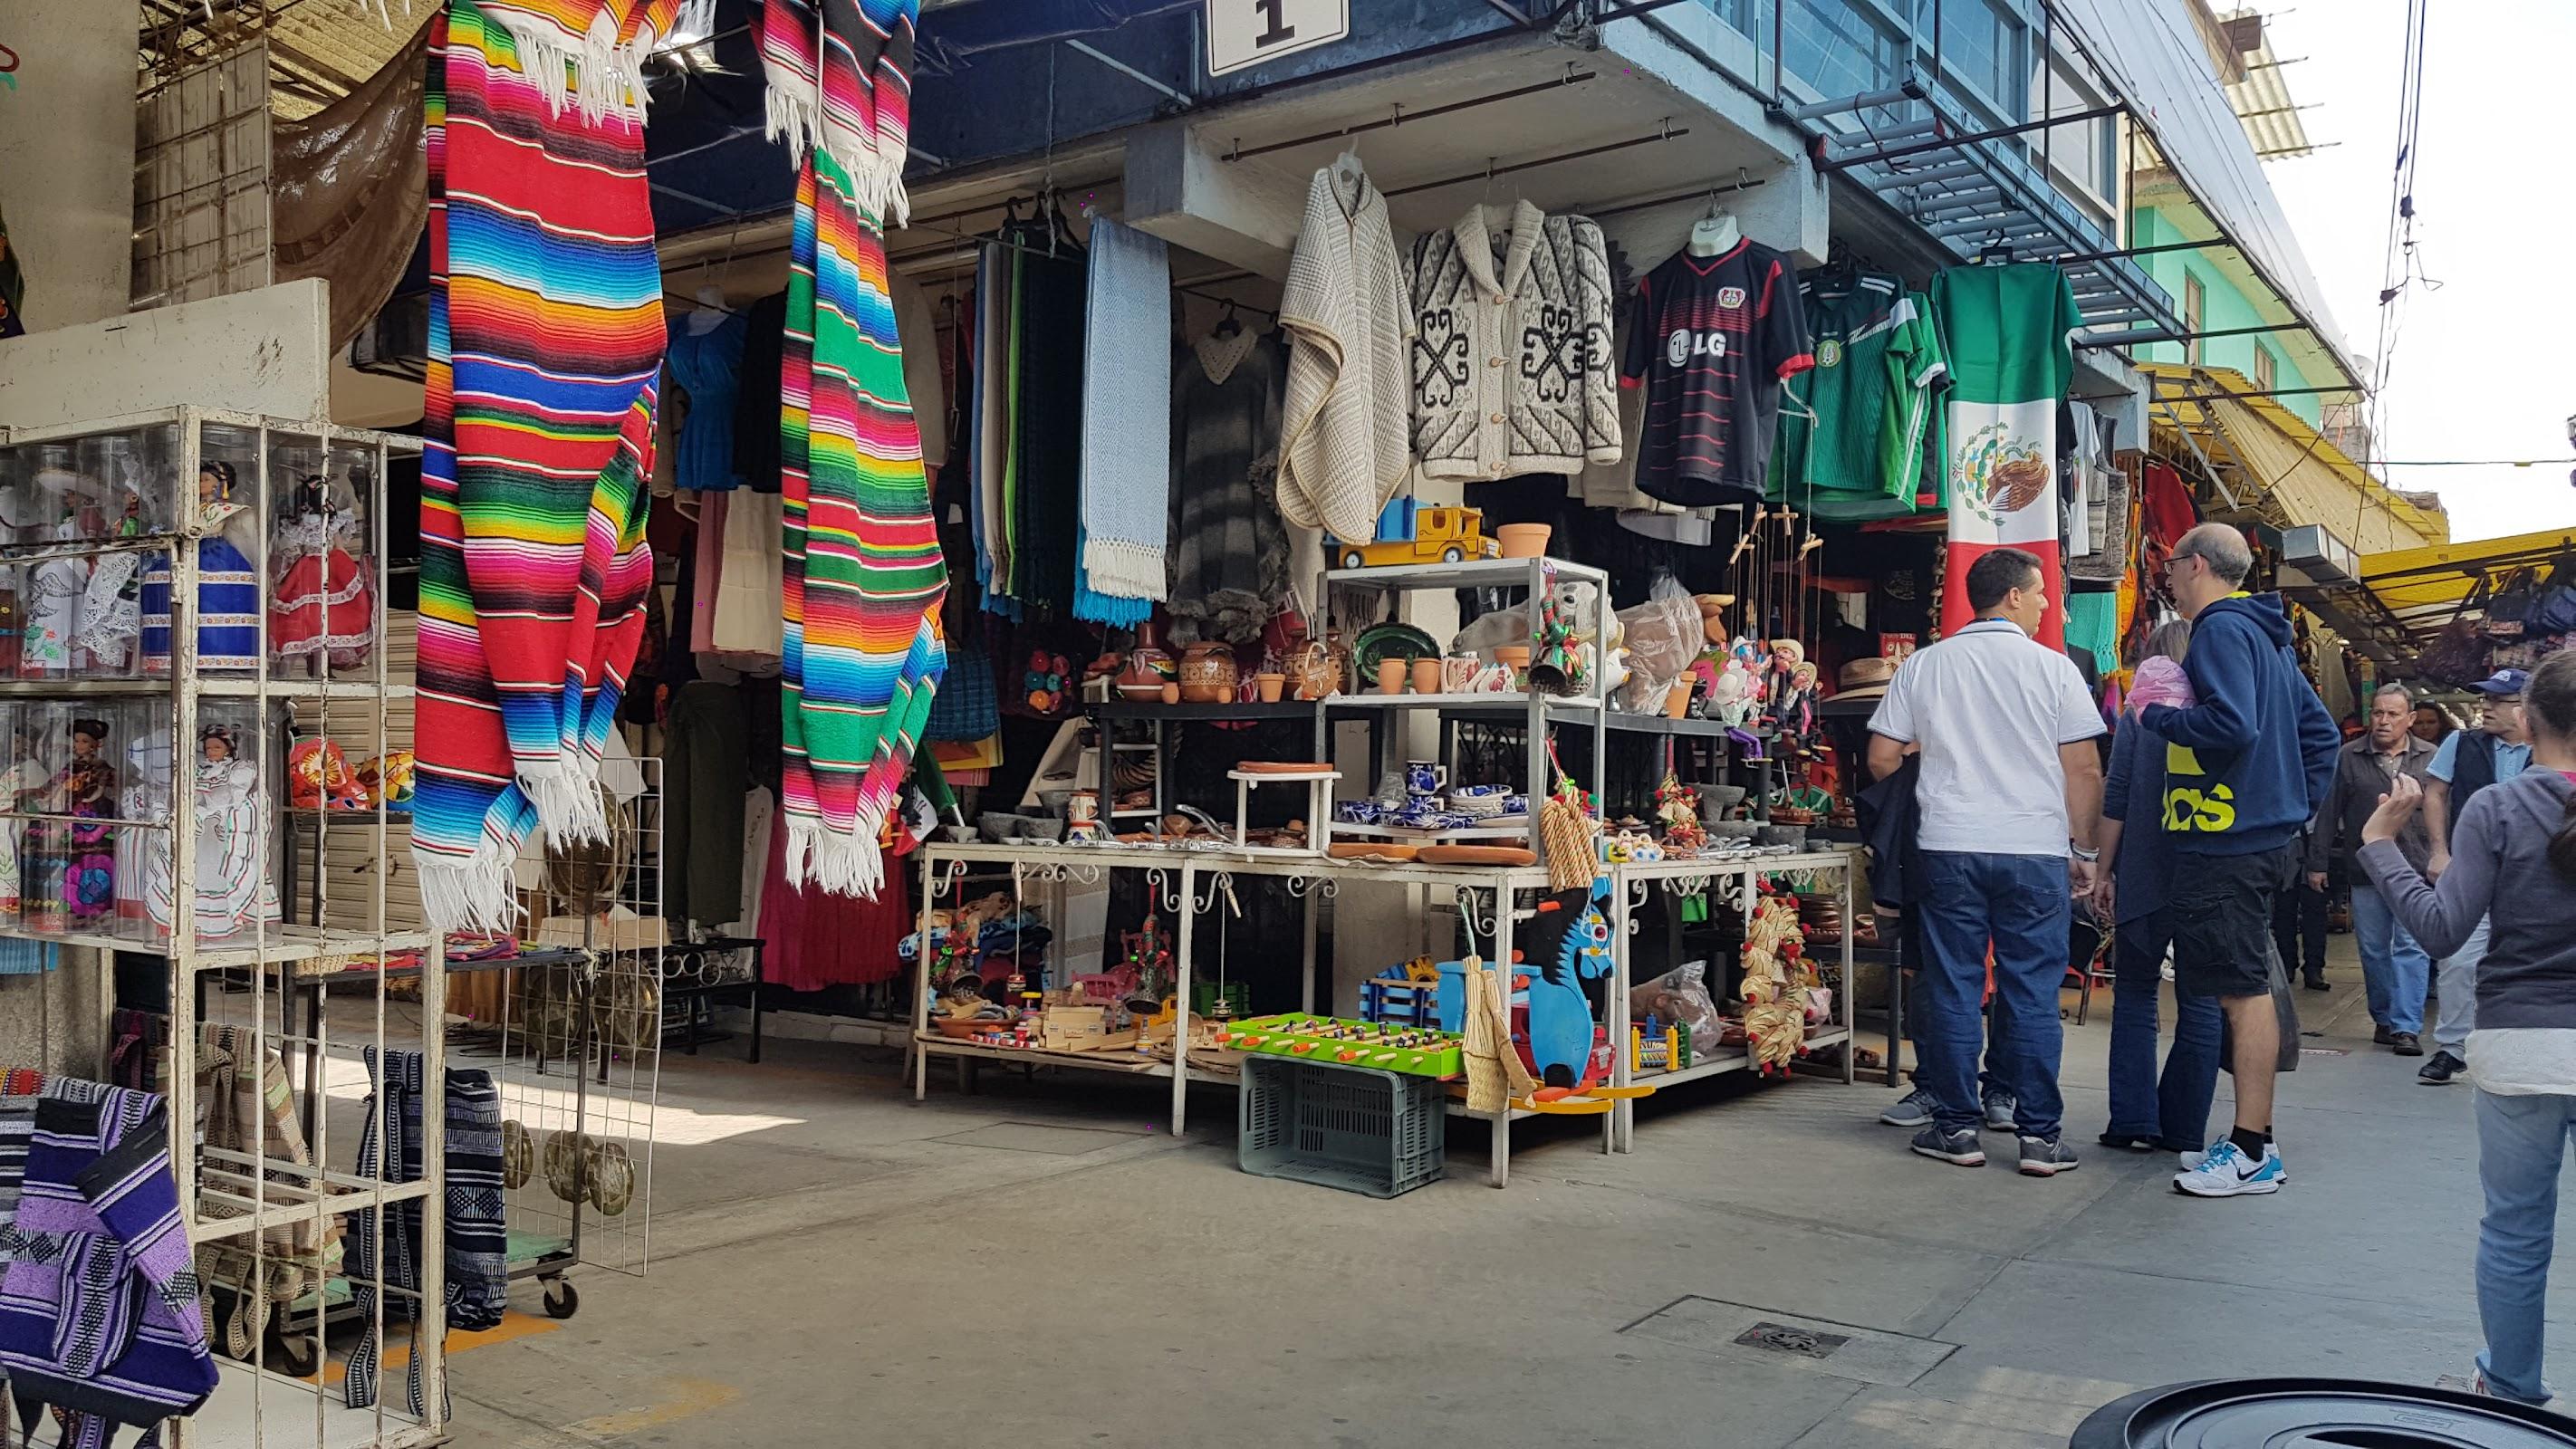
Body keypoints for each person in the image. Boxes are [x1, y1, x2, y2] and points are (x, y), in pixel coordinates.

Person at [2354, 649, 2576, 1406]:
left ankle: (2512, 1391)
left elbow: (2443, 930)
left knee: (2516, 1232)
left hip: (2521, 1048)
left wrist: (2382, 846)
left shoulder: (2501, 808)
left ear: (2530, 722)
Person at [1866, 547, 2104, 1177]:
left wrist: (1932, 772)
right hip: (2034, 849)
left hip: (1948, 846)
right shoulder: (2055, 671)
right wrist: (2085, 851)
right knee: (2031, 991)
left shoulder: (1925, 666)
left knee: (1952, 986)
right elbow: (2082, 768)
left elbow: (1882, 758)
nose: (2048, 604)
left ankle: (1955, 1129)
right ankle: (2038, 1137)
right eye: (2042, 593)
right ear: (2014, 597)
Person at [2142, 523, 2340, 1199]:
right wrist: (2289, 808)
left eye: (2171, 565)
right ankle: (2256, 1140)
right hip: (2253, 838)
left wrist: (2156, 718)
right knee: (2239, 985)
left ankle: (2253, 1151)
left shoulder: (2221, 630)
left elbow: (2232, 725)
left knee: (2240, 991)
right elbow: (2321, 736)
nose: (2166, 577)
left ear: (2196, 564)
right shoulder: (2264, 635)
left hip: (2227, 842)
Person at [2095, 619, 2222, 1154]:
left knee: (2136, 994)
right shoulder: (2223, 713)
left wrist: (2102, 870)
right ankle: (2184, 1128)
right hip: (2210, 872)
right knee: (2202, 1000)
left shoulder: (2140, 715)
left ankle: (2132, 1120)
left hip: (2145, 871)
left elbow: (2118, 794)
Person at [2309, 684, 2440, 1054]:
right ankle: (2383, 1017)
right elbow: (2328, 812)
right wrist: (2317, 863)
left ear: (2410, 719)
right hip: (2366, 869)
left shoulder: (2432, 757)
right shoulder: (2349, 756)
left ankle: (2406, 1027)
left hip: (2416, 868)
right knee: (2374, 949)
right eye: (2378, 713)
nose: (2383, 721)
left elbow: (2448, 810)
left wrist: (2446, 856)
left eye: (2393, 714)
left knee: (2411, 947)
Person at [2421, 670, 2534, 1087]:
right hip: (2471, 870)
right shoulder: (2462, 743)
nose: (2485, 707)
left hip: (2530, 876)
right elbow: (2434, 793)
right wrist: (2439, 851)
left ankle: (2517, 1045)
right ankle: (2452, 1048)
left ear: (2524, 706)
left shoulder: (2551, 747)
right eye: (2485, 699)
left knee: (2526, 962)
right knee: (2457, 961)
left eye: (2497, 701)